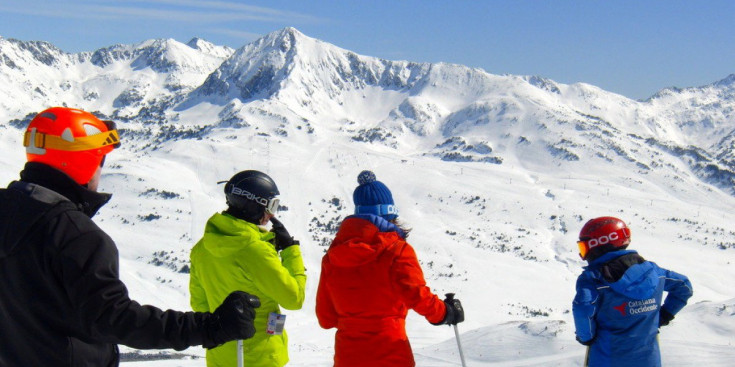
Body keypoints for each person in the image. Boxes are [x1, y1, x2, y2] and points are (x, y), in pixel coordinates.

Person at [0, 107, 260, 366]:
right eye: (100, 160)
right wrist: (211, 326)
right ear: (85, 162)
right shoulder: (76, 237)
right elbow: (117, 319)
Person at [316, 170, 465, 367]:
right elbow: (419, 296)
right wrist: (446, 312)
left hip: (348, 356)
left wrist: (354, 322)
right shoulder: (397, 250)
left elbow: (325, 318)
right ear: (390, 213)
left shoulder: (332, 257)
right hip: (390, 353)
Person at [189, 170, 306, 367]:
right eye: (271, 205)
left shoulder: (202, 248)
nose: (272, 214)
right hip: (260, 356)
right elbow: (294, 298)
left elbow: (199, 303)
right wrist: (290, 250)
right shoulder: (255, 250)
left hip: (221, 355)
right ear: (254, 205)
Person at [573, 216, 693, 367]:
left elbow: (583, 307)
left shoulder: (594, 278)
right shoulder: (654, 272)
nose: (582, 255)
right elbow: (684, 286)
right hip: (649, 359)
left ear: (598, 244)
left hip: (607, 358)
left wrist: (586, 337)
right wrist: (664, 315)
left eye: (584, 248)